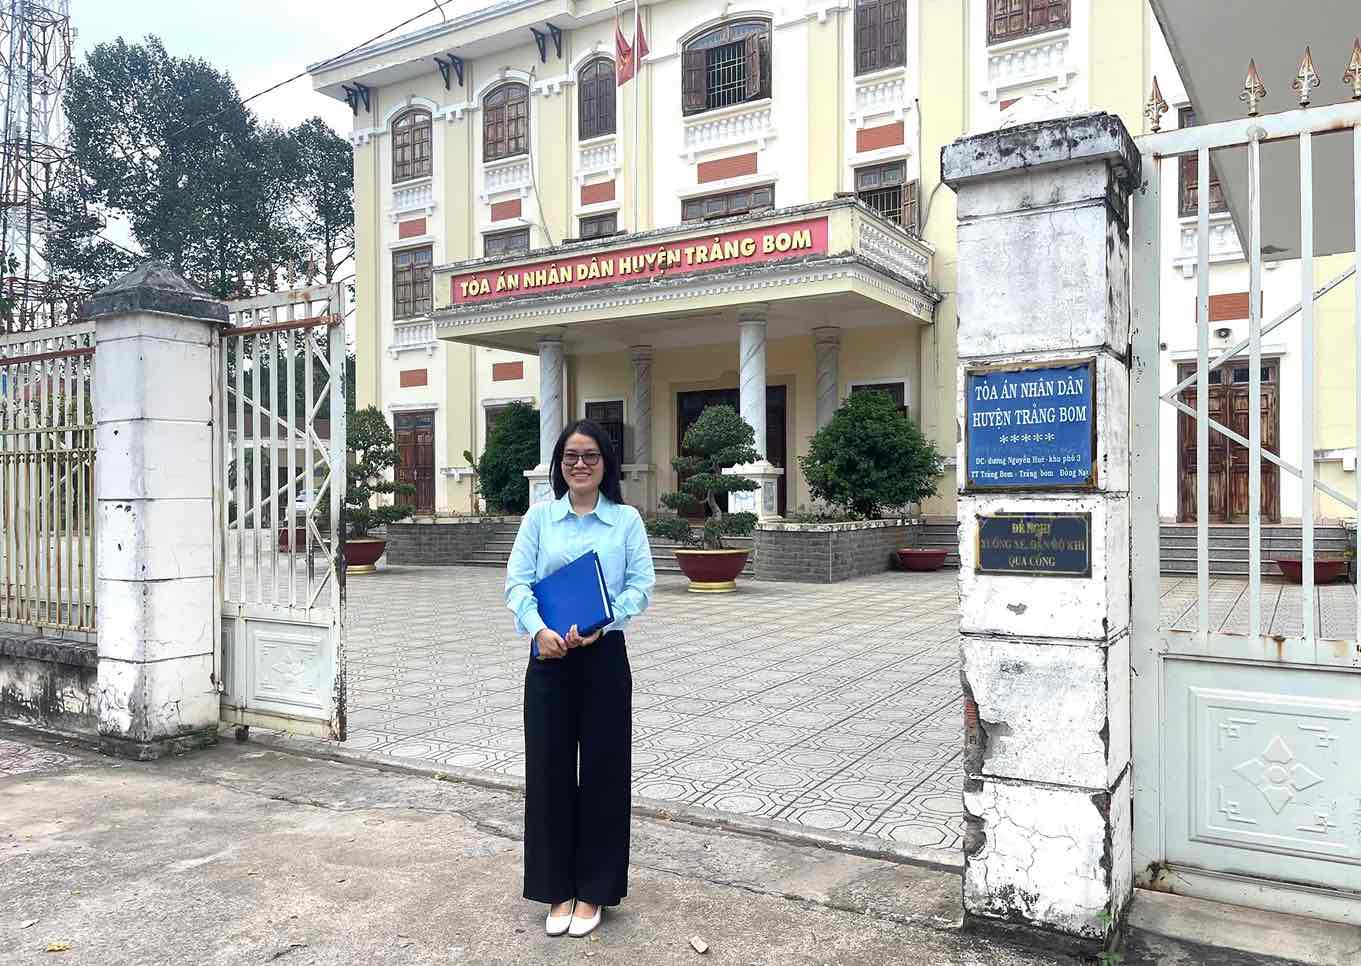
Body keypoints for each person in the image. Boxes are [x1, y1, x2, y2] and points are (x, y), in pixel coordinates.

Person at [504, 419, 656, 939]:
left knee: (604, 770)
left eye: (590, 455)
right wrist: (539, 630)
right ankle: (557, 889)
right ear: (559, 464)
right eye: (571, 456)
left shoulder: (626, 521)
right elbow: (516, 584)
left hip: (603, 657)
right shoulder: (540, 519)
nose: (580, 465)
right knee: (548, 771)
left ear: (606, 463)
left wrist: (603, 623)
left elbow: (641, 585)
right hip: (548, 660)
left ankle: (594, 890)